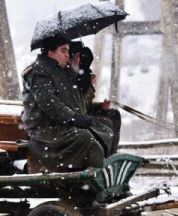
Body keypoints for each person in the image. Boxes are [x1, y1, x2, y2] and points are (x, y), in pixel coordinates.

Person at [21, 34, 113, 172]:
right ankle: (92, 182)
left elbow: (75, 96)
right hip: (45, 129)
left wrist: (84, 68)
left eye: (68, 51)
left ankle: (100, 176)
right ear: (50, 51)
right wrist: (74, 118)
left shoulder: (61, 70)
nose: (67, 55)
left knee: (105, 130)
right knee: (86, 138)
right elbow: (49, 104)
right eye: (63, 51)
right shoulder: (38, 72)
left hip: (60, 125)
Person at [69, 41, 121, 154]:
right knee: (106, 123)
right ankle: (106, 154)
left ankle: (112, 151)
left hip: (84, 113)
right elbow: (76, 105)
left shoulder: (83, 74)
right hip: (77, 117)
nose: (80, 59)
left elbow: (85, 103)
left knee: (114, 114)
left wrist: (101, 107)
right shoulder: (71, 77)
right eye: (78, 56)